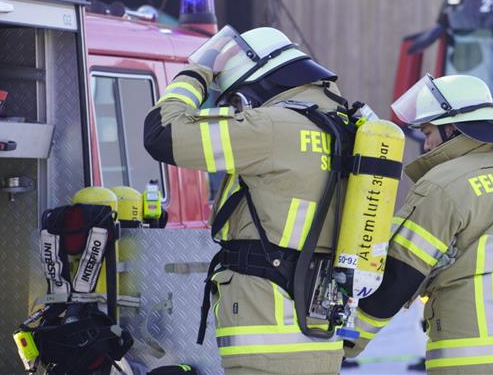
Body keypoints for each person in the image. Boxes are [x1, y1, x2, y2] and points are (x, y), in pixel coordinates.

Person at [143, 26, 353, 374]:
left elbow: (162, 134)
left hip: (267, 339)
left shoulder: (275, 126)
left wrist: (195, 73)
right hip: (316, 335)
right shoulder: (342, 125)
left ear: (254, 83)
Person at [343, 74, 493, 374]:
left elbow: (399, 273)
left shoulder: (443, 184)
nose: (427, 144)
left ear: (453, 127)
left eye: (429, 131)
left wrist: (347, 342)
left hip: (475, 356)